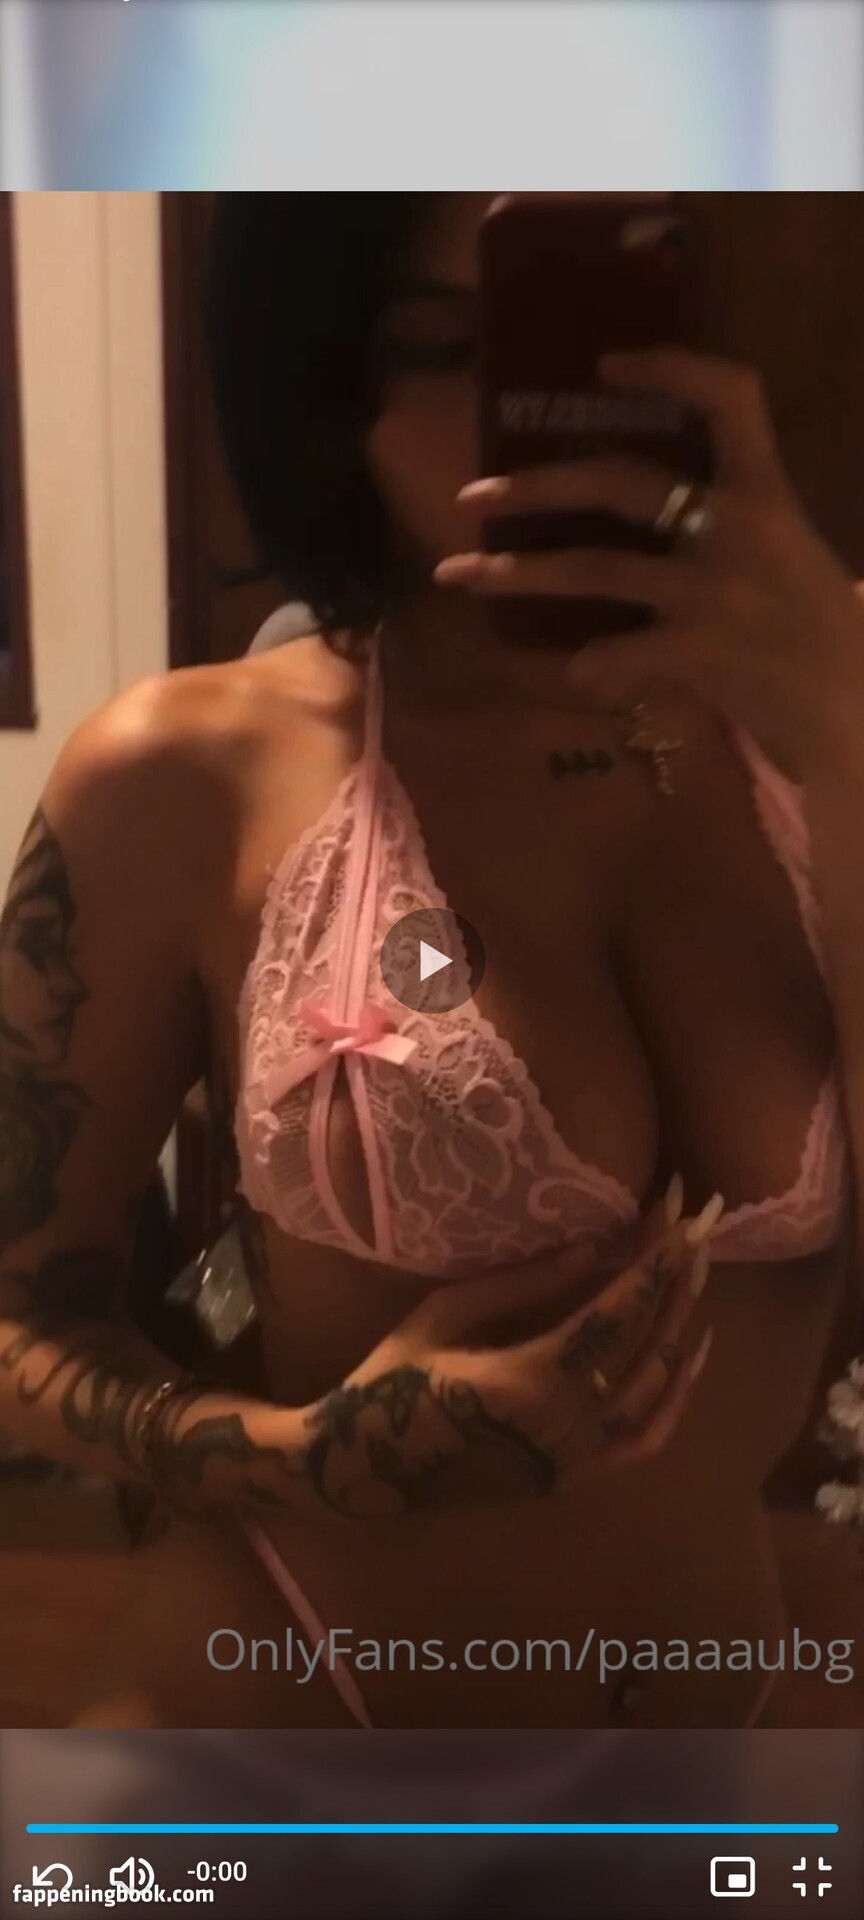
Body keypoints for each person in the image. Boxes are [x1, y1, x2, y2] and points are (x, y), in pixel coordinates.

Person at [1, 192, 863, 1734]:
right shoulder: (183, 774)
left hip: (715, 1712)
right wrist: (313, 1455)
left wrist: (847, 726)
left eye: (601, 342)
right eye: (448, 347)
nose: (538, 420)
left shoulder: (829, 727)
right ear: (323, 378)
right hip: (298, 1689)